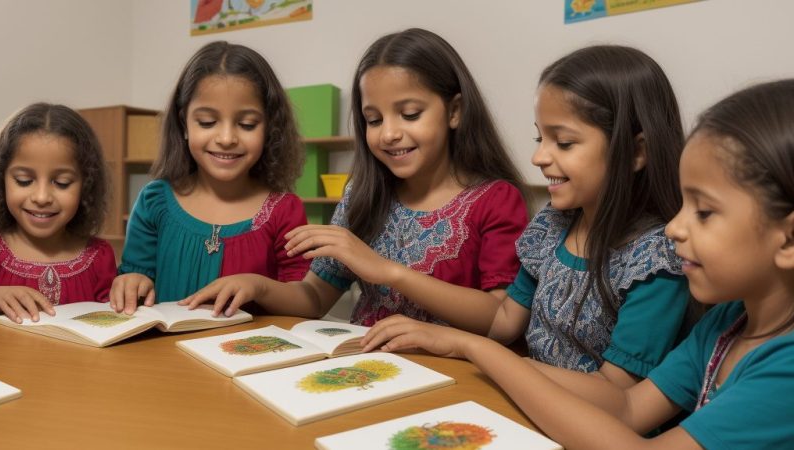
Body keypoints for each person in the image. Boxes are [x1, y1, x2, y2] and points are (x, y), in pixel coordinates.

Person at [363, 79, 794, 449]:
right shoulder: (725, 325)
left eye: (704, 212)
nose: (674, 229)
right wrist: (469, 347)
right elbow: (626, 411)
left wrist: (475, 348)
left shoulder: (784, 370)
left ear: (788, 238)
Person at [365, 45, 692, 392]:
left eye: (564, 142)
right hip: (527, 402)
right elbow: (504, 321)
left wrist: (476, 351)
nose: (538, 157)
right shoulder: (552, 226)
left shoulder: (657, 261)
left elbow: (616, 391)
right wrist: (437, 337)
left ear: (636, 151)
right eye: (540, 137)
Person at [182, 28, 527, 327]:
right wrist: (258, 285)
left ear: (455, 111)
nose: (389, 133)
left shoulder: (496, 199)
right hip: (364, 370)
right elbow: (315, 297)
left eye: (409, 114)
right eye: (373, 120)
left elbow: (500, 318)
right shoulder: (363, 195)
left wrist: (387, 271)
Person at [110, 41, 309, 313]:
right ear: (184, 124)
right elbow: (135, 276)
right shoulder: (154, 201)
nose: (226, 138)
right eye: (207, 122)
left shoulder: (284, 211)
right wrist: (132, 282)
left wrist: (259, 286)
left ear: (269, 127)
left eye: (247, 124)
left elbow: (305, 300)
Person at [0, 103, 116, 323]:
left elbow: (113, 318)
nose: (42, 197)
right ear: (0, 180)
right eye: (24, 180)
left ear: (86, 185)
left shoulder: (98, 255)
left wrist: (131, 290)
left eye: (62, 183)